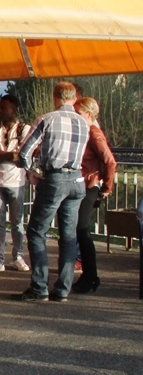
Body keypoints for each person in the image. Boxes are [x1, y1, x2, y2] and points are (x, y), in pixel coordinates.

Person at [16, 82, 89, 302]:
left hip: (55, 178)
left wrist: (31, 172)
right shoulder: (84, 123)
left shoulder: (47, 119)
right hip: (77, 179)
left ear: (55, 97)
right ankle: (63, 289)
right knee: (68, 236)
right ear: (74, 98)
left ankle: (39, 288)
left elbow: (23, 153)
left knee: (37, 232)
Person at [0, 95, 32, 274]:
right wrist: (11, 154)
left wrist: (0, 153)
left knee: (17, 222)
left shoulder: (25, 130)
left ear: (14, 109)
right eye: (0, 108)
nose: (0, 111)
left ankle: (18, 256)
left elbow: (24, 156)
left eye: (5, 108)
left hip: (17, 182)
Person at [72, 96, 117, 293]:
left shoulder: (93, 133)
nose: (74, 116)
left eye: (78, 113)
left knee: (81, 230)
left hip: (89, 185)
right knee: (79, 230)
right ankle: (89, 275)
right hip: (85, 184)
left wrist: (107, 187)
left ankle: (90, 276)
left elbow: (110, 161)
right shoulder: (86, 131)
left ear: (88, 115)